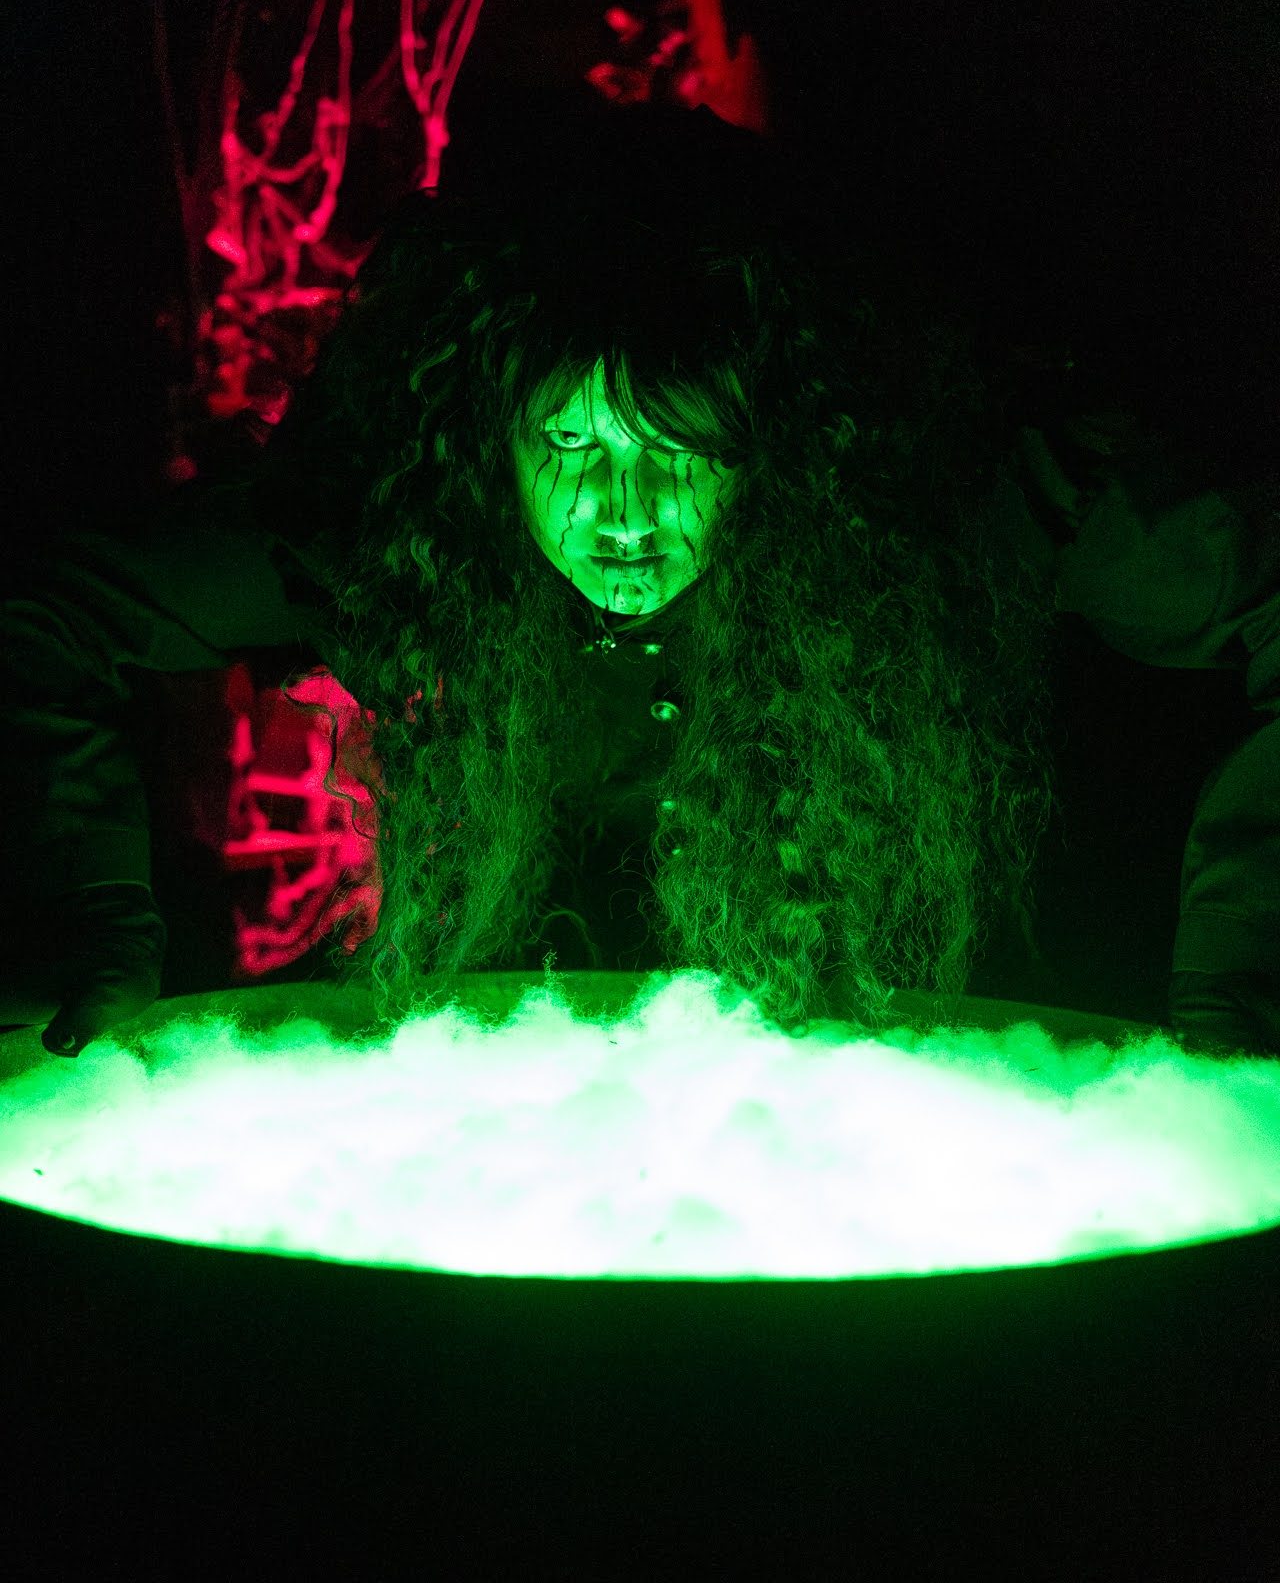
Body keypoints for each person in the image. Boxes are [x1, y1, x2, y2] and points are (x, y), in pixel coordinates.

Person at [1, 101, 1276, 1058]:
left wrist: (1238, 969)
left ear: (775, 447)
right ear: (487, 444)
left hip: (939, 1083)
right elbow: (48, 611)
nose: (620, 514)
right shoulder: (397, 526)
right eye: (569, 446)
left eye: (677, 450)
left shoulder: (970, 501)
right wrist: (97, 914)